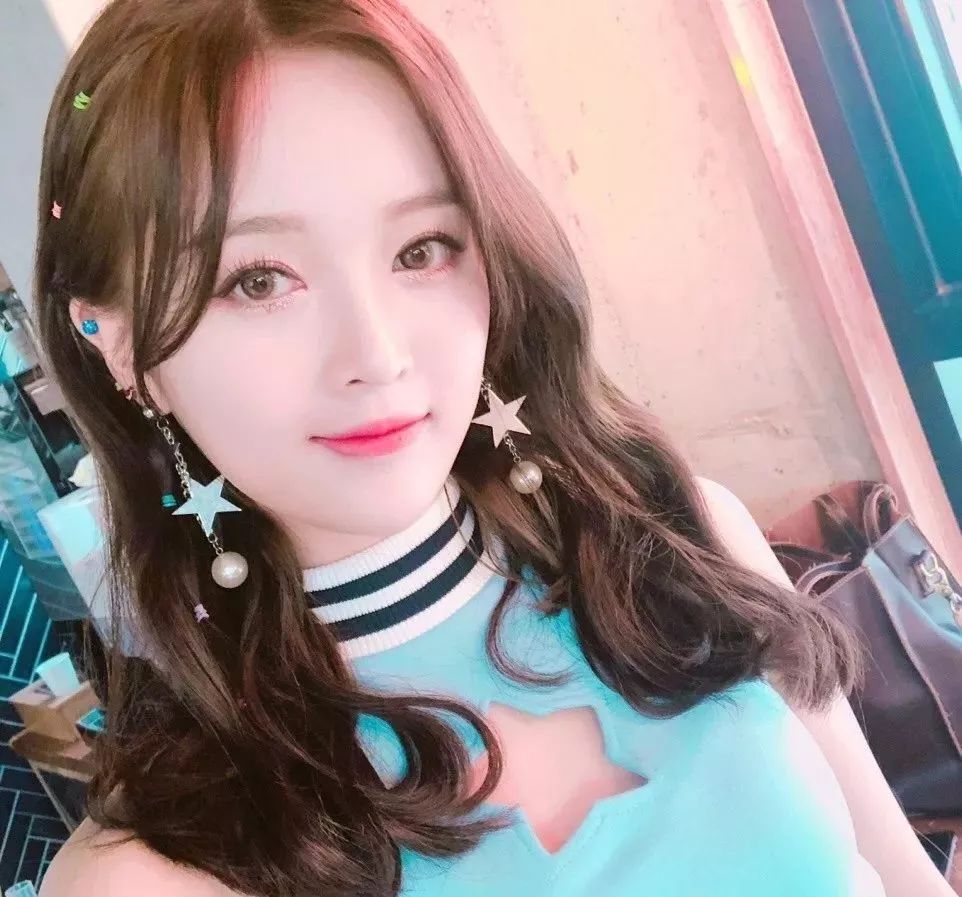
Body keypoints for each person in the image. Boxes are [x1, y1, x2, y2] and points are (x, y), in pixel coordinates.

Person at [32, 1, 951, 895]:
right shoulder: (153, 873)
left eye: (421, 248)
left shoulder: (684, 541)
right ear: (116, 342)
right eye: (259, 278)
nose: (377, 355)